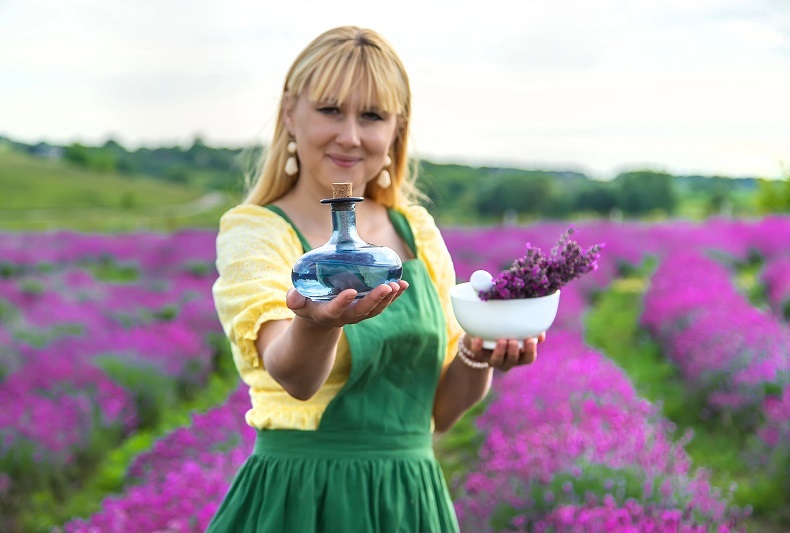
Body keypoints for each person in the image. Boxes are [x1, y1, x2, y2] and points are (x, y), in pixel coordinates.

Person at [207, 25, 545, 533]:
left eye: (371, 116)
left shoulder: (417, 231)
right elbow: (294, 377)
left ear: (395, 132)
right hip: (304, 501)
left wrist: (481, 352)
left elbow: (440, 413)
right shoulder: (257, 231)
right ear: (289, 115)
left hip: (410, 501)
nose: (350, 135)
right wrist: (317, 325)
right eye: (329, 110)